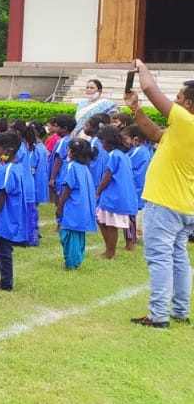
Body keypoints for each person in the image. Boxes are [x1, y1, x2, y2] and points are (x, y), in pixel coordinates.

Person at [124, 64, 194, 328]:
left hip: (165, 204)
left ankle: (158, 315)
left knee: (160, 258)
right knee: (177, 256)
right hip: (184, 205)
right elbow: (154, 134)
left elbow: (150, 88)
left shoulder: (187, 122)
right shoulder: (182, 129)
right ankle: (179, 310)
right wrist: (136, 109)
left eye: (178, 98)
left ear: (189, 103)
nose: (174, 101)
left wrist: (141, 67)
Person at [0, 132, 31, 291]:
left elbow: (2, 194)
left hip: (5, 216)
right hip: (10, 215)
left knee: (3, 250)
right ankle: (3, 278)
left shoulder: (8, 169)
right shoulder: (17, 167)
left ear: (7, 151)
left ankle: (6, 282)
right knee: (1, 249)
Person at [94, 125, 138, 259]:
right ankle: (108, 249)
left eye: (102, 142)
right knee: (101, 220)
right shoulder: (122, 154)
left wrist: (98, 191)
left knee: (111, 224)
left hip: (114, 195)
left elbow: (108, 175)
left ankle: (110, 252)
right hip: (115, 194)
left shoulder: (114, 155)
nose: (101, 145)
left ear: (107, 141)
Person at [55, 138, 98, 271]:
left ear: (70, 151)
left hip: (73, 205)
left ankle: (72, 262)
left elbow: (68, 187)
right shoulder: (84, 167)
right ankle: (78, 258)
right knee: (78, 234)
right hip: (83, 205)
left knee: (68, 233)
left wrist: (60, 206)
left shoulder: (71, 166)